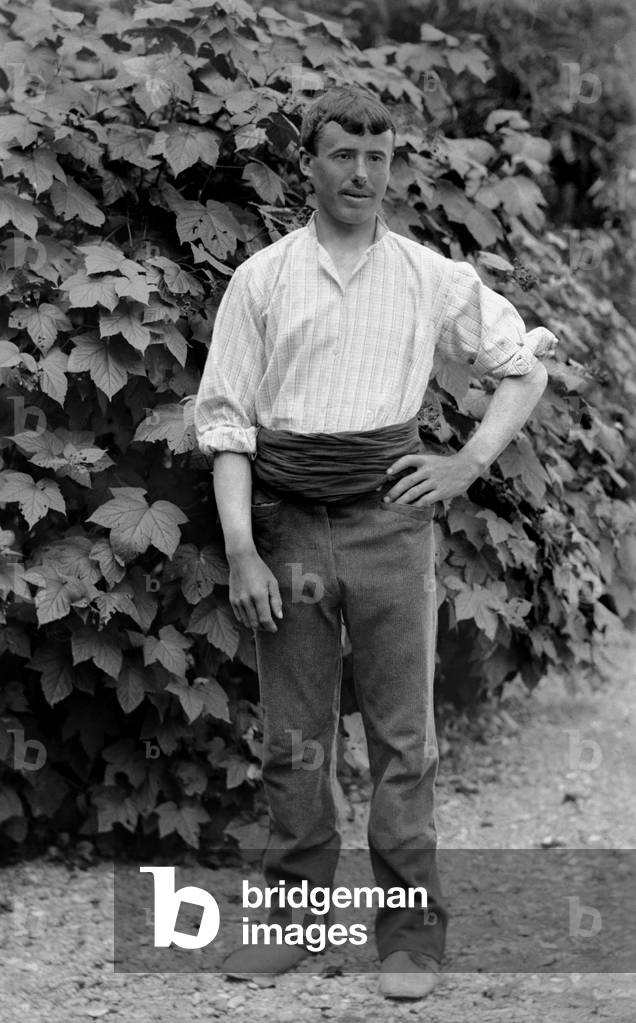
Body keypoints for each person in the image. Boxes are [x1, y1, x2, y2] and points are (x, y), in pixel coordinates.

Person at [194, 86, 557, 999]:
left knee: (405, 734)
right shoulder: (262, 279)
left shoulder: (429, 276)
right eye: (344, 154)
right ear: (309, 164)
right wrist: (241, 548)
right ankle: (297, 919)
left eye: (378, 154)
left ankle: (408, 935)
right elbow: (229, 425)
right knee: (295, 734)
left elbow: (524, 364)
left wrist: (466, 463)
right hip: (285, 527)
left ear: (392, 163)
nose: (362, 172)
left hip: (392, 523)